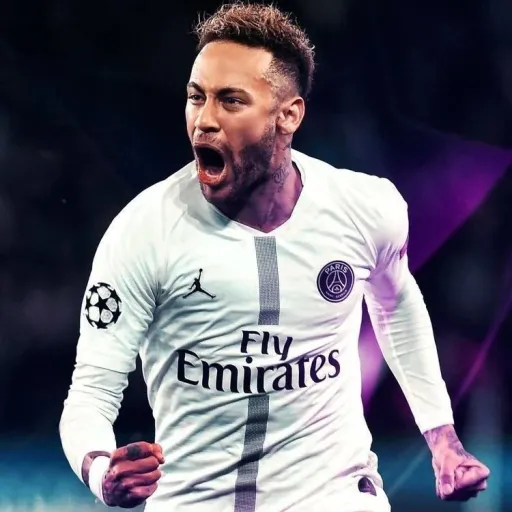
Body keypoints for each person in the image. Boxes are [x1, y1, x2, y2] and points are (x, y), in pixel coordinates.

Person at [59, 3, 490, 511]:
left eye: (231, 101)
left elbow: (396, 306)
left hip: (332, 496)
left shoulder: (365, 208)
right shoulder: (143, 231)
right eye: (196, 97)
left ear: (288, 115)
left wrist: (442, 437)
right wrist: (101, 471)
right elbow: (90, 393)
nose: (204, 121)